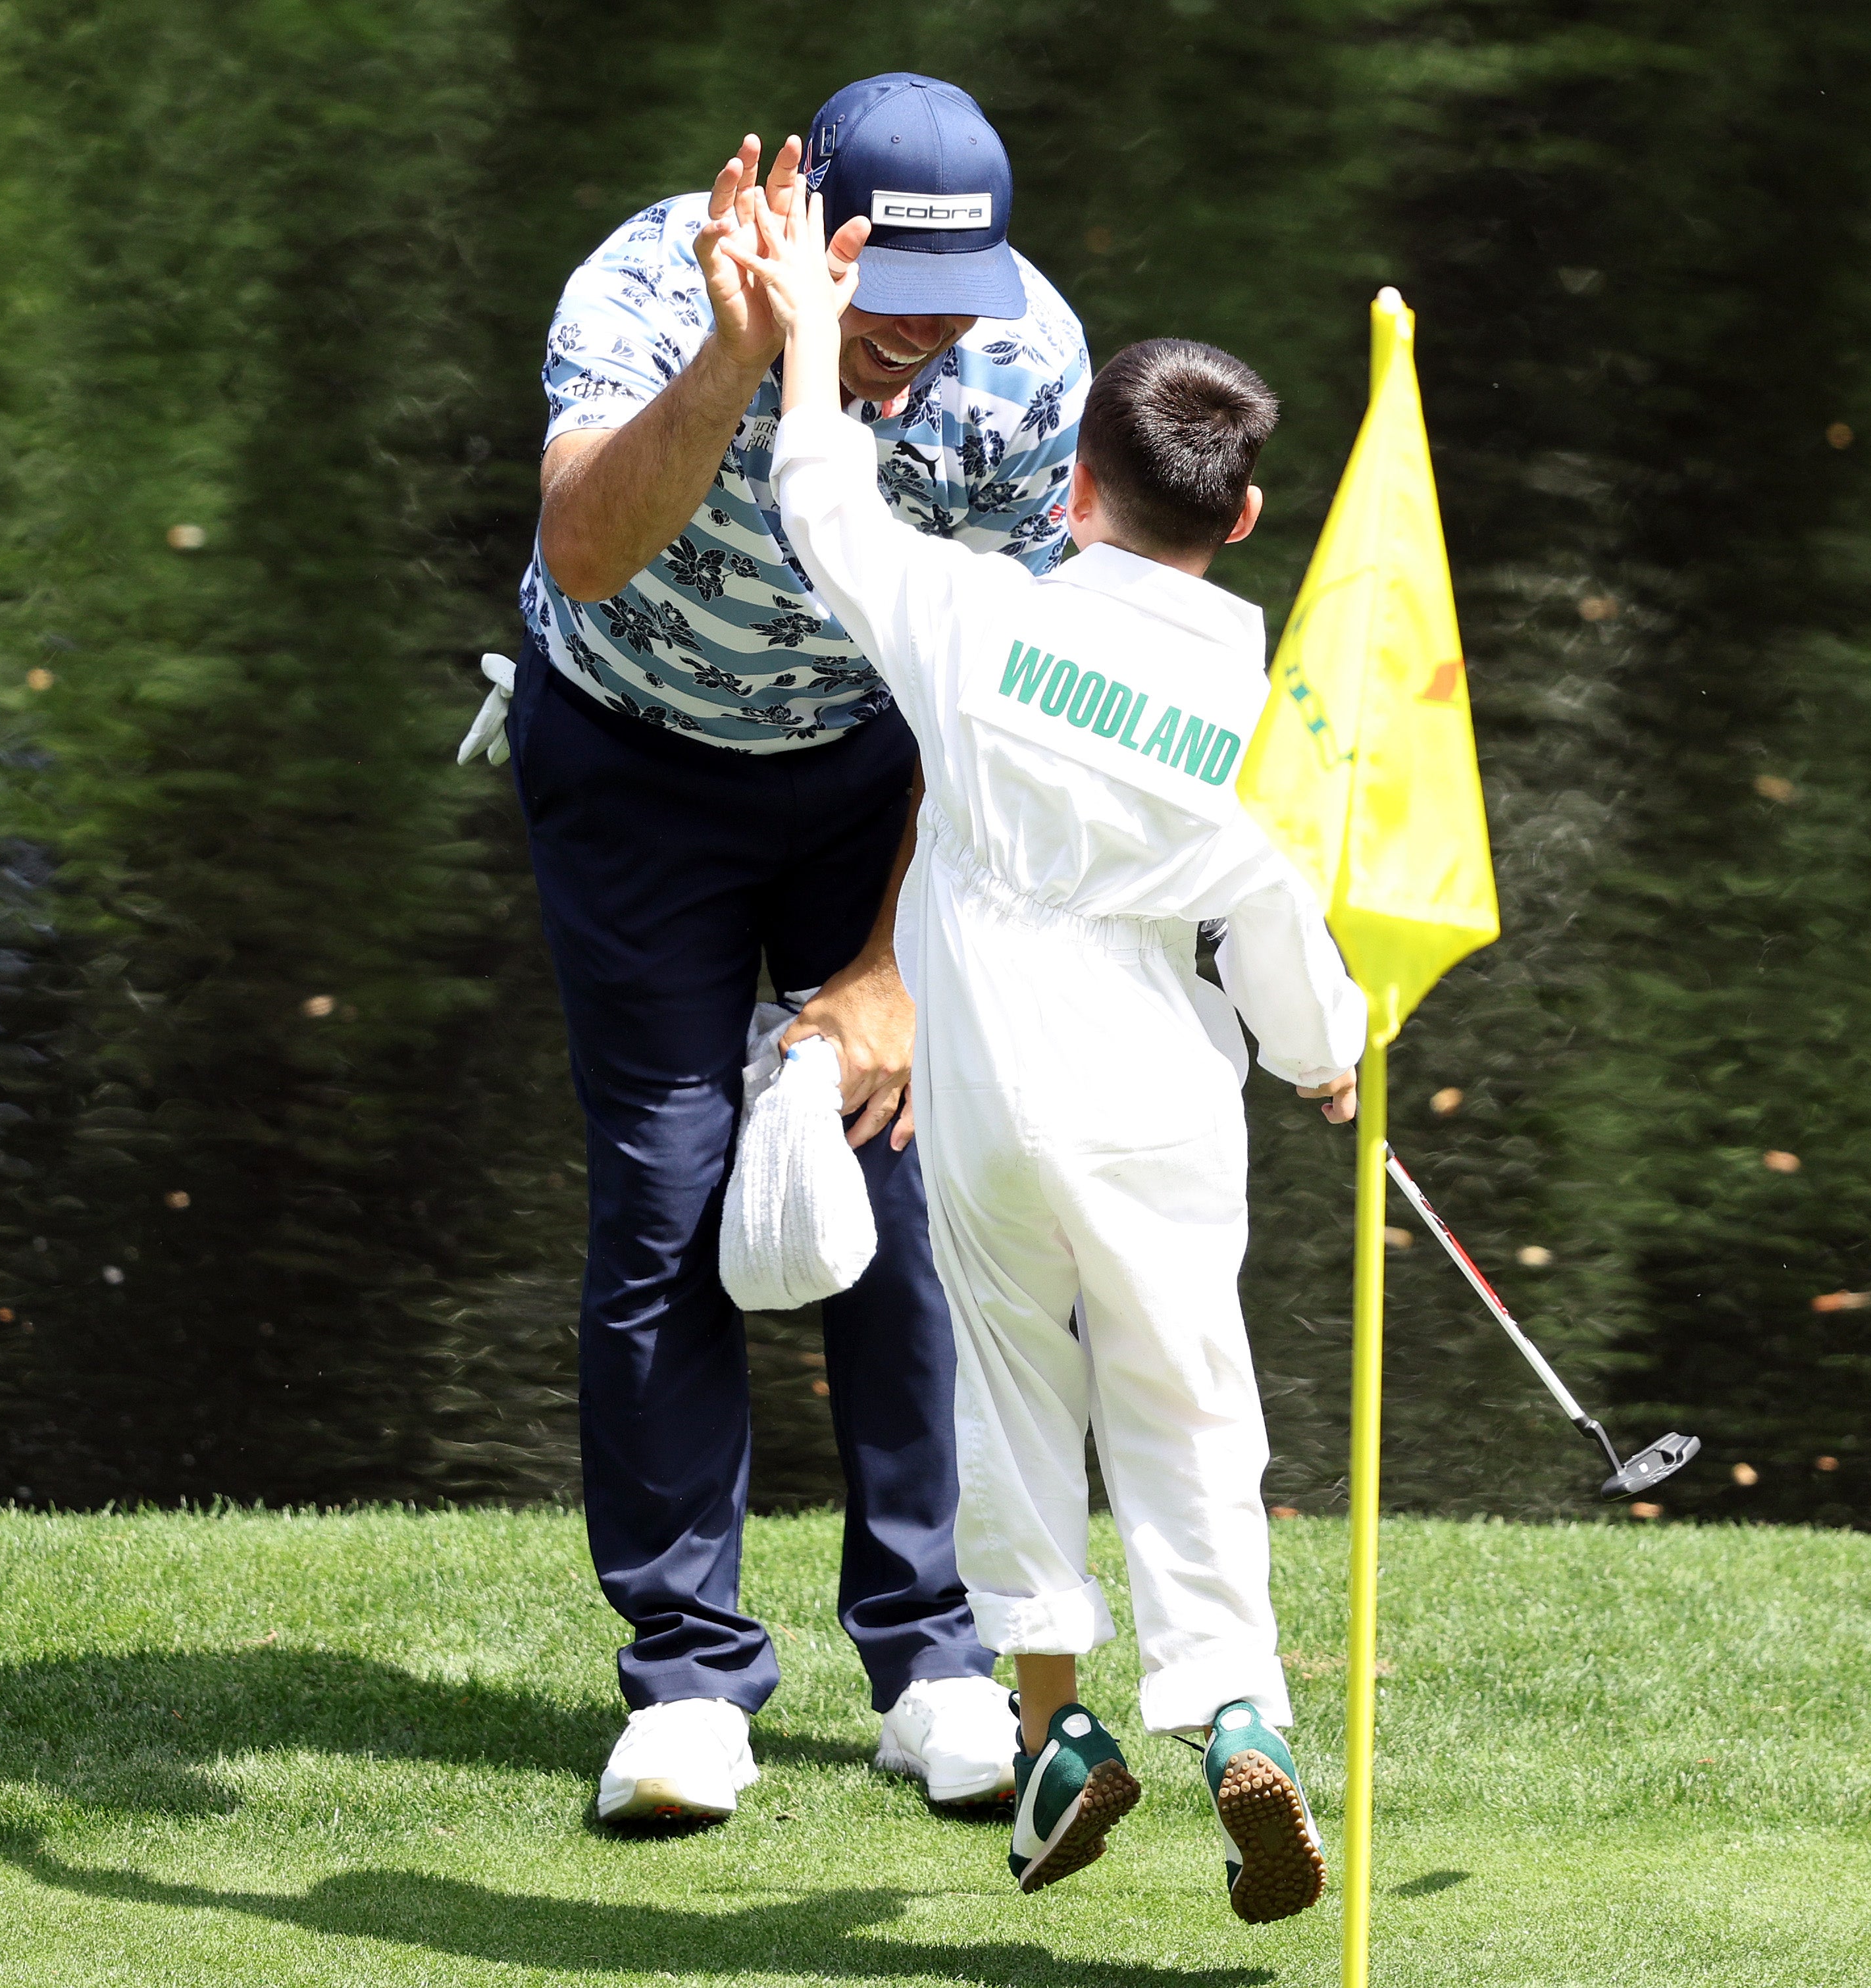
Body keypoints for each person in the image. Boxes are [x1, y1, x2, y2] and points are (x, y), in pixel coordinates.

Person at [723, 186, 1366, 1923]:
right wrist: (1330, 1052)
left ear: (1074, 480)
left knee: (1008, 1389)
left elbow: (817, 496)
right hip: (1158, 1077)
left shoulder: (975, 617)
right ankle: (1231, 1705)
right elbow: (1289, 946)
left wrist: (798, 331)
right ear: (1236, 516)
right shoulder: (1270, 708)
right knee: (1185, 1412)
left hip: (987, 1080)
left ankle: (1056, 1730)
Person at [499, 74, 1089, 1823]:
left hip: (878, 776)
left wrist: (896, 965)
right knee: (668, 1191)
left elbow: (994, 703)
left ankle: (932, 1659)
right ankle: (685, 1681)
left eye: (950, 290)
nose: (919, 332)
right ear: (807, 232)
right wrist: (744, 359)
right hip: (630, 759)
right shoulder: (642, 287)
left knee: (913, 1195)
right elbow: (587, 555)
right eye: (882, 290)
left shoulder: (1021, 368)